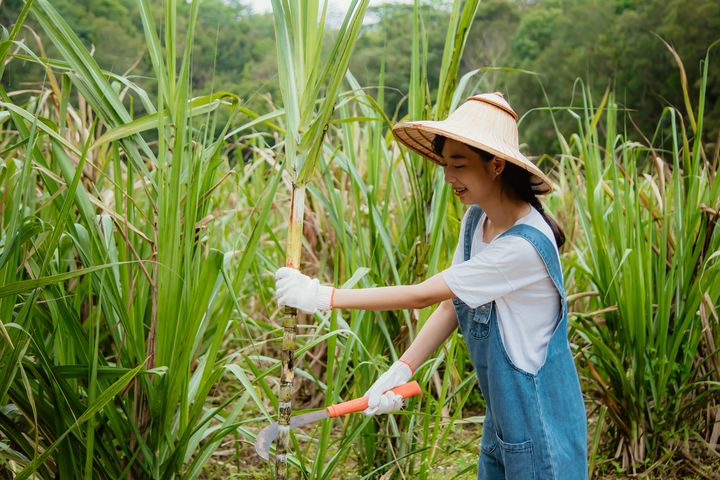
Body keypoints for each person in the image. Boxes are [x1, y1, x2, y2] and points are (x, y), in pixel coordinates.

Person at [274, 92, 588, 479]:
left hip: (540, 422)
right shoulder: (478, 221)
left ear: (496, 165)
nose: (448, 177)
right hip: (504, 417)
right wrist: (403, 368)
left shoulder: (523, 246)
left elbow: (424, 295)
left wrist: (323, 296)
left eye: (459, 164)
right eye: (445, 164)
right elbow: (448, 306)